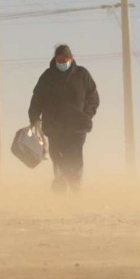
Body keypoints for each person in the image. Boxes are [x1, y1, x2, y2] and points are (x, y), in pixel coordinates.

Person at [28, 44, 99, 193]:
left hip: (77, 126)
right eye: (59, 59)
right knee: (56, 154)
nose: (61, 62)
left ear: (71, 58)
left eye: (64, 59)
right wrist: (34, 116)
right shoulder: (48, 76)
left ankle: (74, 185)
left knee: (74, 156)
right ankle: (62, 182)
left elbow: (93, 97)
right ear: (55, 59)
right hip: (55, 126)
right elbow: (37, 98)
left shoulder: (82, 74)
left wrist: (87, 115)